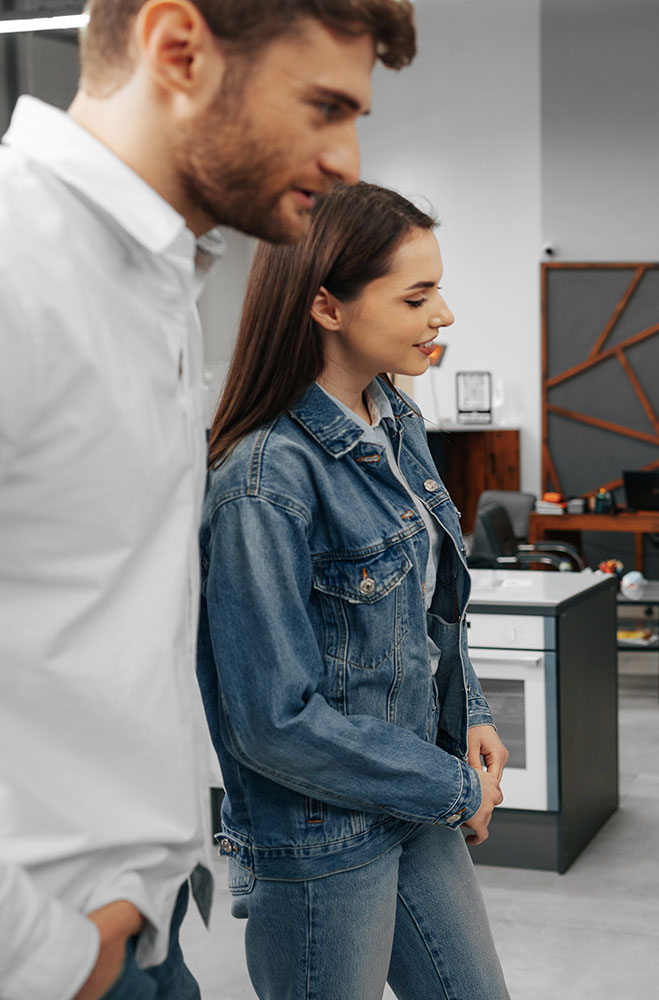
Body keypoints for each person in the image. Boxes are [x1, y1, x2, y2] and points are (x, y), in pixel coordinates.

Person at [0, 2, 415, 998]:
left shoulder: (154, 282)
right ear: (177, 48)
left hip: (136, 920)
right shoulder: (21, 261)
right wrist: (49, 953)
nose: (347, 154)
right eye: (323, 107)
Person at [197, 181, 510, 1000]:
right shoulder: (263, 481)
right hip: (321, 838)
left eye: (437, 288)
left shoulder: (394, 421)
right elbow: (273, 722)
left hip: (411, 800)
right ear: (327, 307)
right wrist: (453, 785)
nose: (443, 314)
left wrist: (468, 711)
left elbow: (427, 612)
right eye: (417, 295)